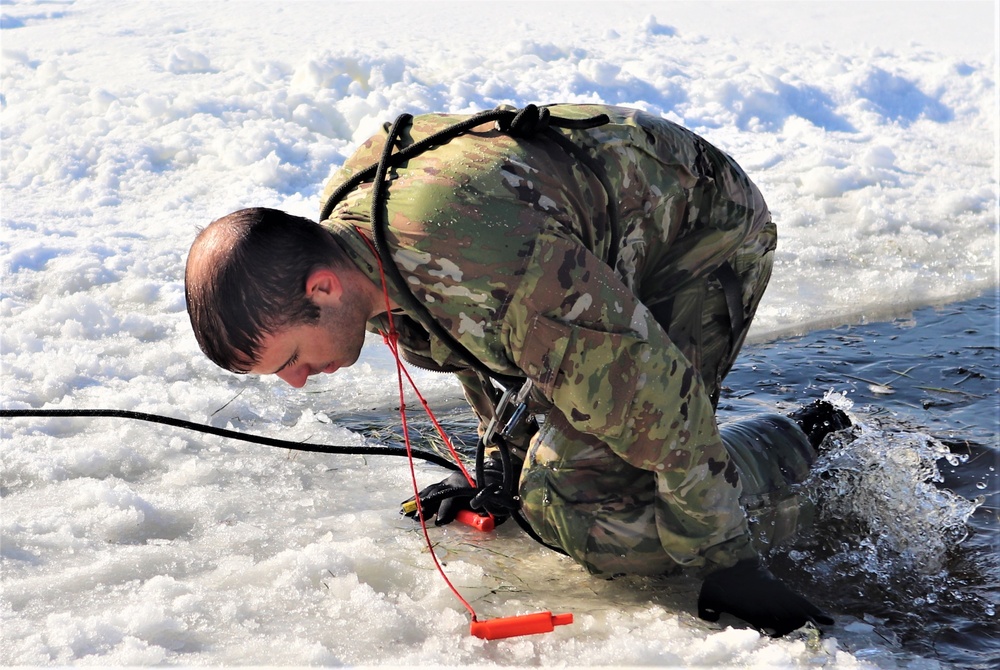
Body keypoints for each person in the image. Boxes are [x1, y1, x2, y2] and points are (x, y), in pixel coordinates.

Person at [185, 103, 848, 636]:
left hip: (701, 237)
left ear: (323, 288)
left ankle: (797, 441)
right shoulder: (353, 249)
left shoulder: (486, 268)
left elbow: (660, 401)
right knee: (535, 487)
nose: (297, 381)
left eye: (291, 360)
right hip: (587, 251)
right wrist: (495, 470)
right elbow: (470, 339)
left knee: (604, 519)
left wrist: (724, 559)